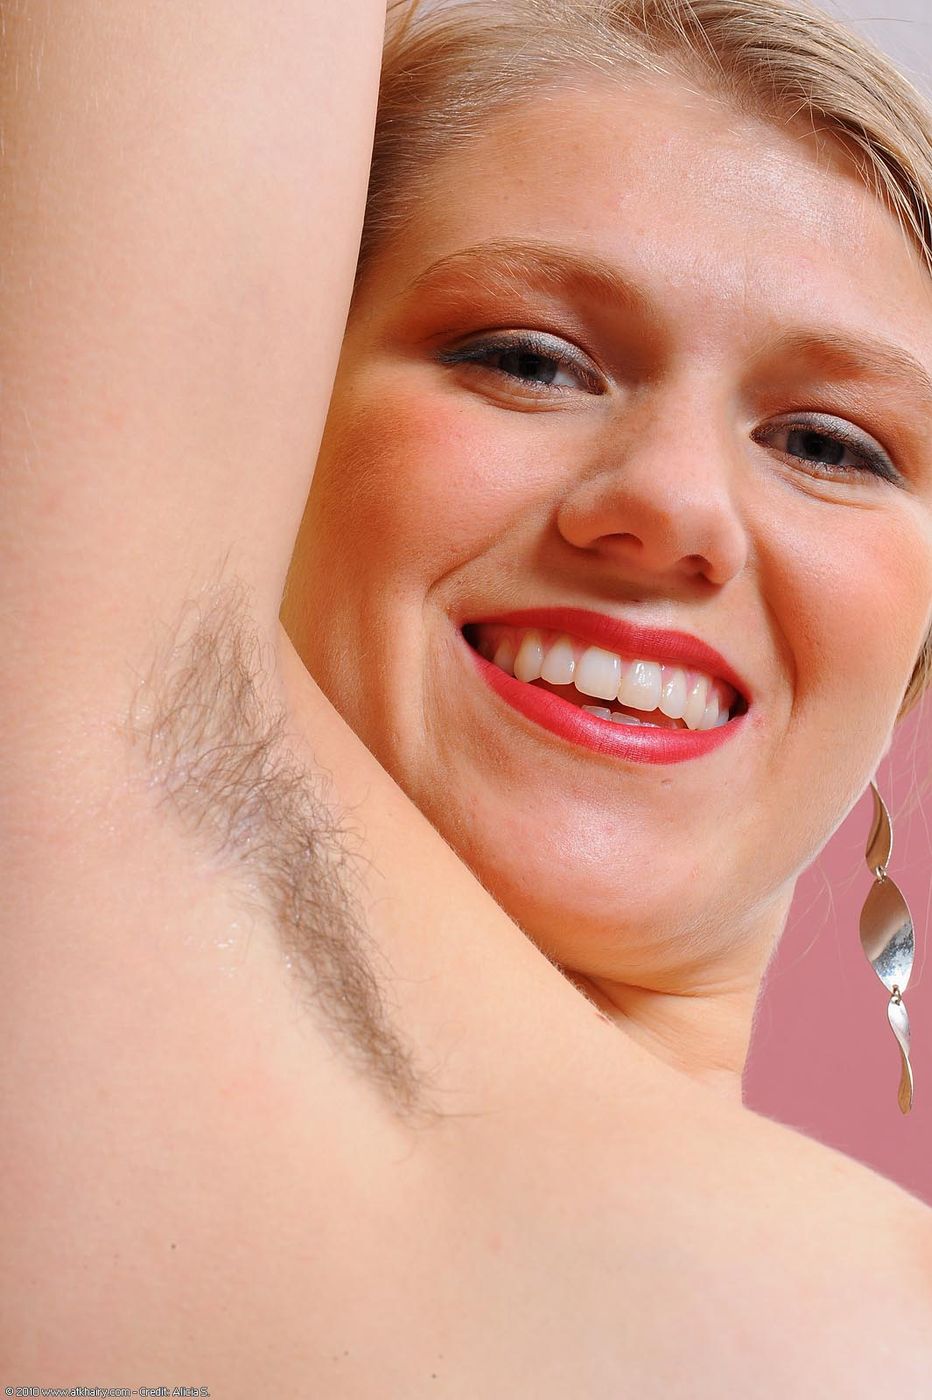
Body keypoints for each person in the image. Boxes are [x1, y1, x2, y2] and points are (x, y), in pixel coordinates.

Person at [2, 0, 931, 1392]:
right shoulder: (70, 840)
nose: (674, 505)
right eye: (526, 360)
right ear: (264, 406)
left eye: (830, 444)